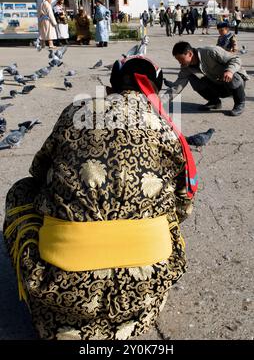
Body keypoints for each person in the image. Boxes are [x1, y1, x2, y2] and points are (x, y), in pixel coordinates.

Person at [3, 56, 197, 340]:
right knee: (170, 214)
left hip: (61, 289)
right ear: (155, 89)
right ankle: (127, 317)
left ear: (111, 87)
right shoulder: (165, 124)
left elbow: (38, 171)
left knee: (21, 191)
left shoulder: (77, 110)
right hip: (143, 286)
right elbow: (183, 202)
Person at [164, 41, 248, 116]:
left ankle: (239, 103)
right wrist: (160, 102)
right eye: (177, 60)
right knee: (193, 78)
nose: (180, 62)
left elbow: (236, 59)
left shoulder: (210, 51)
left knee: (232, 74)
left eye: (181, 59)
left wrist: (230, 71)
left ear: (189, 54)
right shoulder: (186, 68)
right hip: (218, 85)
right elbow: (176, 86)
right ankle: (214, 102)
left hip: (235, 84)